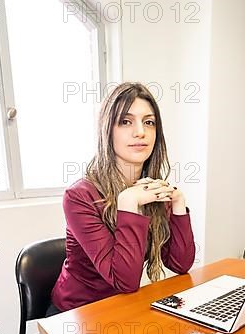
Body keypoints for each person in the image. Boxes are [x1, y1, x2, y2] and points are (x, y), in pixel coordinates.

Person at [47, 82, 196, 316]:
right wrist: (127, 204)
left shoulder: (150, 189)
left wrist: (178, 204)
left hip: (126, 307)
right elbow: (124, 281)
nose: (140, 132)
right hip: (77, 315)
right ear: (108, 130)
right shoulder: (79, 196)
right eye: (126, 122)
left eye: (149, 122)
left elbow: (180, 264)